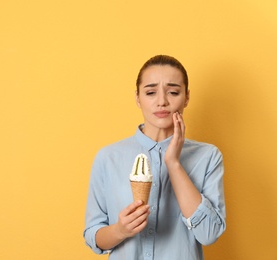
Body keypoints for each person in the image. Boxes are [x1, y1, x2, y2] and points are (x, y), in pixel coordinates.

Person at [83, 55, 226, 259]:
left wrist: (173, 163)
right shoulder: (108, 158)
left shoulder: (207, 157)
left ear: (186, 97)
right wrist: (120, 230)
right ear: (137, 98)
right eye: (150, 92)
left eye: (173, 92)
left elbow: (209, 234)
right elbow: (93, 235)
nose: (162, 102)